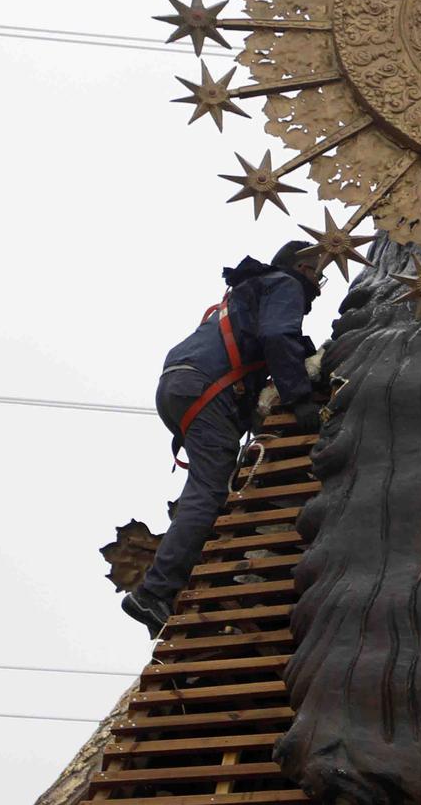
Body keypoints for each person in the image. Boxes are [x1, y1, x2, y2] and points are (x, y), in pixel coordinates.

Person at [123, 240, 325, 636]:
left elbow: (275, 340)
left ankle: (175, 572)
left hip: (183, 383)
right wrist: (299, 398)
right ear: (302, 269)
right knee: (211, 489)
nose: (319, 282)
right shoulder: (285, 284)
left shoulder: (249, 291)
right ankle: (155, 592)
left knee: (205, 483)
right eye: (318, 272)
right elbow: (278, 335)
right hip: (206, 387)